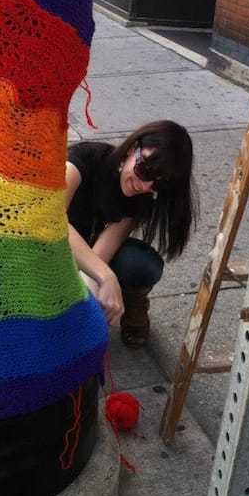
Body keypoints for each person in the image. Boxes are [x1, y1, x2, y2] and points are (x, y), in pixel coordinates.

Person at [66, 120, 198, 348]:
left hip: (87, 251)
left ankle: (134, 300)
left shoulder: (143, 196)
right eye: (146, 170)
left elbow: (101, 253)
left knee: (140, 265)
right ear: (131, 149)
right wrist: (106, 278)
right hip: (45, 245)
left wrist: (92, 295)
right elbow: (51, 221)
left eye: (159, 184)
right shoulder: (82, 160)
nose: (145, 186)